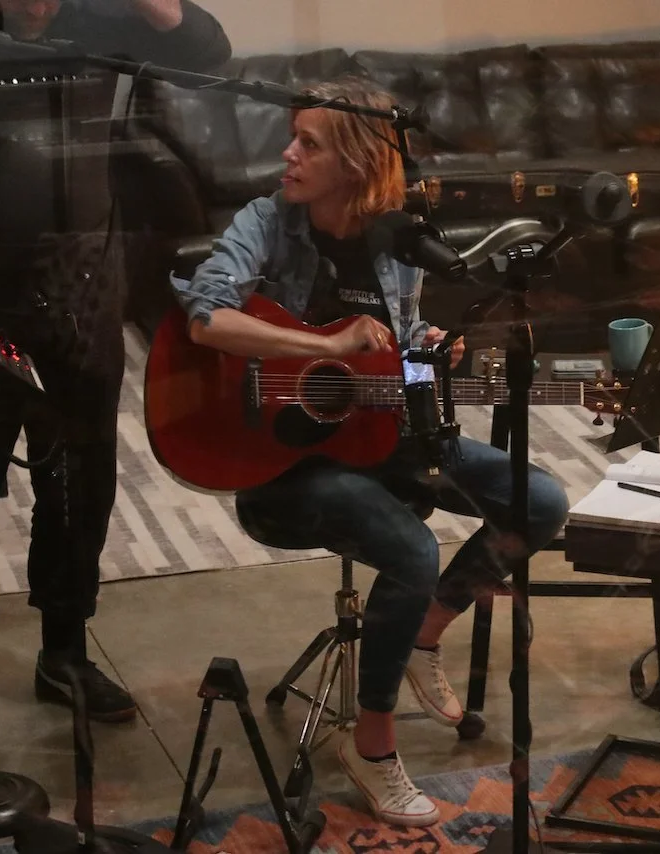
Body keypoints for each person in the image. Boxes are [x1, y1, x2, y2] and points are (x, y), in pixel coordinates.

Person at [173, 75, 569, 827]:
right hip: (283, 465)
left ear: (356, 162)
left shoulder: (396, 242)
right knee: (412, 549)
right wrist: (323, 342)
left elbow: (394, 363)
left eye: (308, 143)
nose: (287, 154)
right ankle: (374, 743)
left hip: (382, 435)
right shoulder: (268, 220)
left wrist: (429, 360)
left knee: (540, 501)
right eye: (293, 137)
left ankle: (425, 633)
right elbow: (205, 318)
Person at [0, 0, 230, 754]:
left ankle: (64, 651)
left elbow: (205, 50)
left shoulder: (106, 19)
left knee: (80, 475)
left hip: (82, 269)